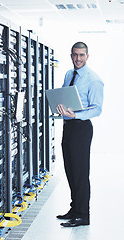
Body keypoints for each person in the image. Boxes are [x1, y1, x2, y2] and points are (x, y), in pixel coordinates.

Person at [56, 42, 104, 227]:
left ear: (87, 56)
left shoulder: (94, 79)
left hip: (82, 128)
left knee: (80, 172)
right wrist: (59, 107)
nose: (78, 59)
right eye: (75, 55)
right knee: (70, 169)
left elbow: (97, 109)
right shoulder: (69, 74)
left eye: (81, 55)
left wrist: (76, 114)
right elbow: (64, 95)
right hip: (68, 126)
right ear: (71, 55)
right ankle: (75, 208)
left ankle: (83, 215)